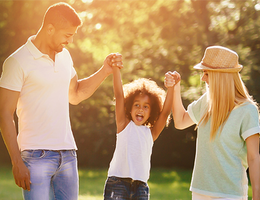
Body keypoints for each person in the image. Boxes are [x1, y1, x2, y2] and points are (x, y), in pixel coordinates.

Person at [0, 2, 122, 200]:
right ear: (50, 29)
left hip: (67, 155)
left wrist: (105, 70)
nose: (71, 41)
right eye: (67, 35)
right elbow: (5, 113)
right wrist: (16, 162)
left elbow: (75, 94)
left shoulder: (65, 56)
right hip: (35, 156)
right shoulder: (17, 61)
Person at [165, 46, 260, 200]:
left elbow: (254, 157)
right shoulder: (206, 102)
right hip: (200, 191)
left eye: (206, 73)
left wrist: (257, 196)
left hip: (230, 194)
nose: (203, 78)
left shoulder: (247, 111)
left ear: (220, 76)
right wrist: (175, 88)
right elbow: (180, 121)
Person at [103, 58, 177, 199]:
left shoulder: (151, 133)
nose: (140, 109)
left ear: (152, 111)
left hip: (141, 187)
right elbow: (119, 95)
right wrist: (116, 69)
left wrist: (171, 88)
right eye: (136, 105)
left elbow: (166, 112)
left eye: (146, 106)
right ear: (129, 107)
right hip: (117, 183)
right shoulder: (123, 125)